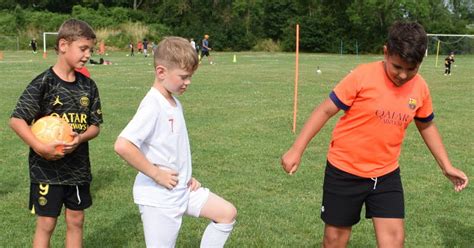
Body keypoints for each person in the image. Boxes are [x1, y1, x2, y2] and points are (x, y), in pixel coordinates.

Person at [281, 21, 468, 248]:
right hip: (344, 171)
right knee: (334, 240)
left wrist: (446, 166)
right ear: (386, 52)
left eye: (412, 69)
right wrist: (297, 149)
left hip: (386, 174)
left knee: (394, 240)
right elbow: (325, 110)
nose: (403, 75)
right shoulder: (362, 76)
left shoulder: (420, 88)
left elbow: (426, 125)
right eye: (397, 66)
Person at [114, 36, 237, 247]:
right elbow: (123, 145)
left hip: (182, 189)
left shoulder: (173, 102)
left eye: (190, 76)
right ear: (161, 72)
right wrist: (157, 174)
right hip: (159, 198)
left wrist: (187, 175)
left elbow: (169, 147)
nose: (188, 82)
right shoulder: (153, 104)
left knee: (227, 213)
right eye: (183, 77)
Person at [9, 19, 103, 248]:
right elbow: (17, 119)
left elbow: (95, 125)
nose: (87, 54)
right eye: (83, 49)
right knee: (47, 223)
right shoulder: (44, 82)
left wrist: (80, 138)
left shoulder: (88, 86)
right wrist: (40, 146)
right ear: (63, 45)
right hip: (47, 171)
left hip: (78, 169)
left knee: (76, 220)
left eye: (90, 49)